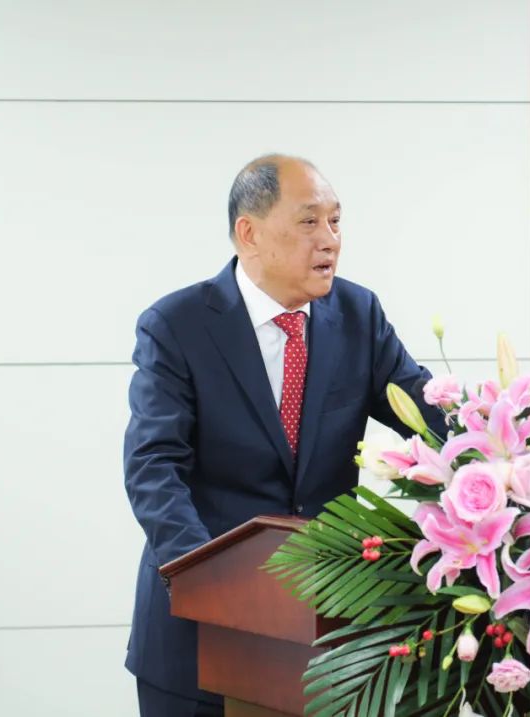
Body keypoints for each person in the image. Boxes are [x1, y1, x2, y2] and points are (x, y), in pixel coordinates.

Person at [123, 154, 446, 717]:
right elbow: (154, 467)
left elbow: (426, 414)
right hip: (198, 636)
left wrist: (511, 444)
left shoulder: (358, 313)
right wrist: (204, 578)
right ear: (249, 233)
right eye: (309, 221)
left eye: (336, 221)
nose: (330, 240)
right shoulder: (177, 325)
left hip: (324, 636)